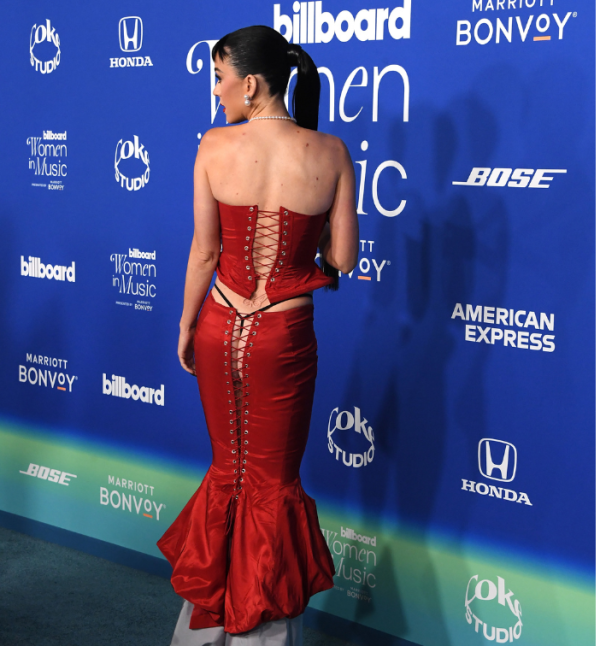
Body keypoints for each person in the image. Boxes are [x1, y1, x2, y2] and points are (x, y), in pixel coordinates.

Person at [157, 25, 360, 646]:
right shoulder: (331, 153)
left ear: (250, 83)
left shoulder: (213, 147)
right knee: (271, 484)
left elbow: (203, 253)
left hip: (221, 327)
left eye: (220, 80)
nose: (217, 93)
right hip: (284, 336)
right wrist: (314, 246)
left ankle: (202, 634)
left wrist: (188, 325)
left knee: (229, 471)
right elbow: (345, 260)